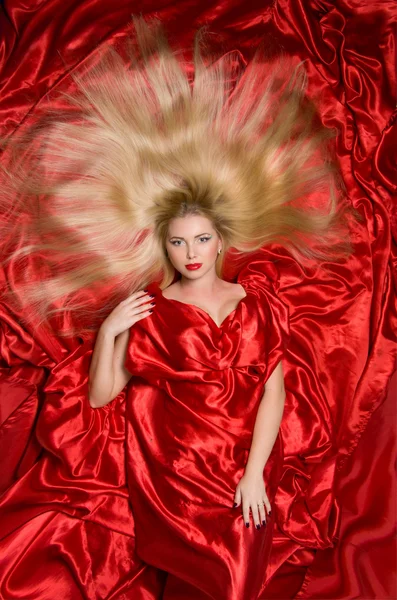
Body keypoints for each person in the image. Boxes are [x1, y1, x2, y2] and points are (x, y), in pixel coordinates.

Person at [0, 15, 357, 600]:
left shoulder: (255, 301)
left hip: (244, 471)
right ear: (163, 244)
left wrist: (254, 474)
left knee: (238, 576)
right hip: (173, 476)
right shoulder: (151, 306)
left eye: (200, 239)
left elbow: (273, 392)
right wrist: (112, 331)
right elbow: (100, 397)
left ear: (222, 241)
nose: (190, 252)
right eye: (178, 241)